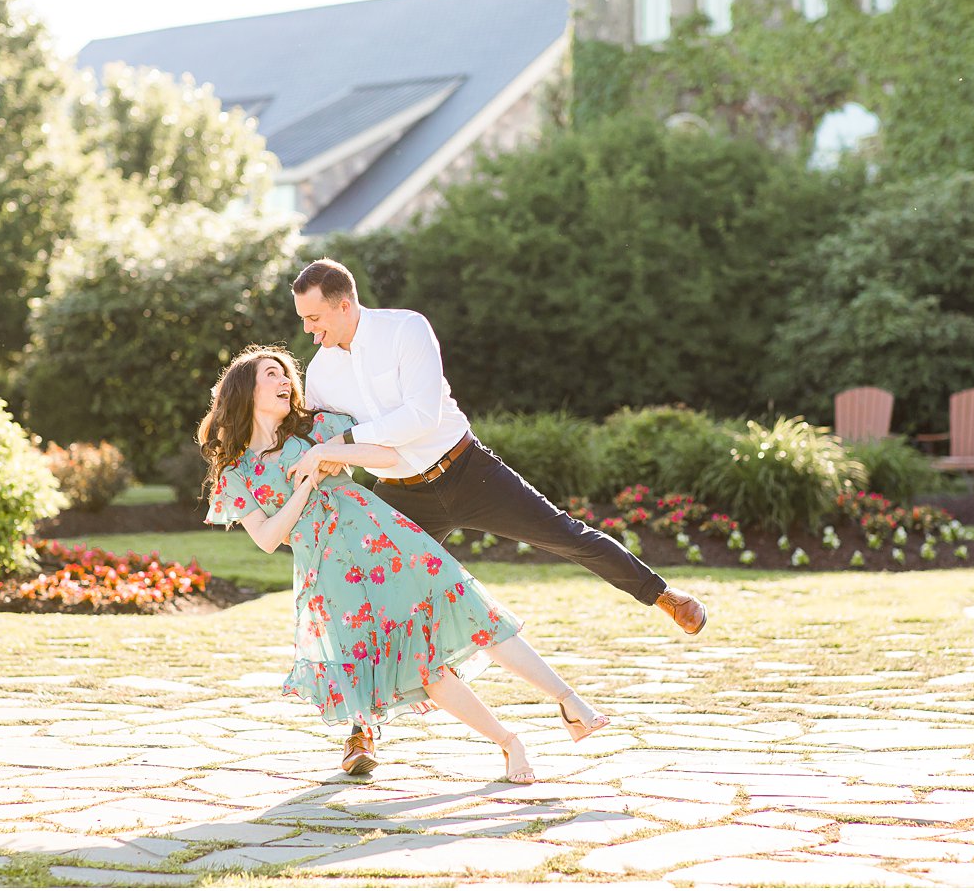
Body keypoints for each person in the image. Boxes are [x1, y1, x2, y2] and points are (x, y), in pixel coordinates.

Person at [289, 258, 708, 774]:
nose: (308, 331)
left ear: (344, 304)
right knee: (365, 599)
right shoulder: (322, 372)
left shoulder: (406, 329)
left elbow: (421, 416)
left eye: (314, 318)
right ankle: (361, 732)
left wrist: (346, 442)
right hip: (400, 491)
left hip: (466, 469)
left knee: (565, 535)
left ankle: (663, 594)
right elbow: (326, 444)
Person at [199, 345, 609, 782]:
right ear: (245, 388)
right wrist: (305, 485)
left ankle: (569, 699)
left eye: (286, 375)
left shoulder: (317, 428)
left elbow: (387, 457)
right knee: (423, 669)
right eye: (271, 374)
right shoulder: (237, 473)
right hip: (333, 577)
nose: (285, 381)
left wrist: (323, 455)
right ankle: (509, 743)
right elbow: (266, 538)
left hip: (388, 542)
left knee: (477, 614)